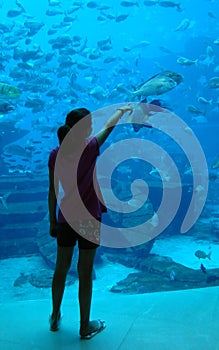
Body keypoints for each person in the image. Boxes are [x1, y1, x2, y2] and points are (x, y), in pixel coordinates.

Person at [48, 105, 133, 339]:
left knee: (60, 269)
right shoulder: (90, 148)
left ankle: (55, 316)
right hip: (89, 219)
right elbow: (109, 127)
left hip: (65, 218)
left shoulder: (56, 154)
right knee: (85, 272)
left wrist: (52, 220)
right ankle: (85, 326)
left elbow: (52, 190)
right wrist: (123, 110)